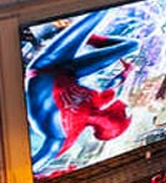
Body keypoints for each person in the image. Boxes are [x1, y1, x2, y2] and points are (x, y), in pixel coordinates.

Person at [24, 11, 139, 174]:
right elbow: (114, 84)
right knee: (132, 46)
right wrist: (125, 74)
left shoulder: (64, 137)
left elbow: (35, 165)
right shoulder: (97, 103)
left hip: (45, 67)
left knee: (101, 14)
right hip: (68, 71)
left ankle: (98, 11)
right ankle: (91, 33)